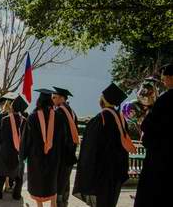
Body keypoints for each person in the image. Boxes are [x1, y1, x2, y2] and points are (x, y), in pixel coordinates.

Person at [73, 83, 136, 207]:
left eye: (101, 96)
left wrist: (87, 170)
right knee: (111, 201)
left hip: (102, 171)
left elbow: (90, 149)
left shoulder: (101, 118)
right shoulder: (121, 118)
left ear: (105, 99)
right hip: (116, 170)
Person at [134, 64, 173, 206]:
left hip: (162, 159)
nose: (163, 81)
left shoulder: (166, 99)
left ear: (170, 78)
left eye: (164, 78)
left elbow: (148, 127)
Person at [20, 89, 65, 207]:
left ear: (39, 101)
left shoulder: (32, 117)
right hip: (53, 156)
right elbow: (63, 139)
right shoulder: (59, 117)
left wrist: (22, 154)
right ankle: (53, 204)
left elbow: (26, 139)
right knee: (52, 180)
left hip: (36, 156)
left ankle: (39, 206)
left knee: (37, 182)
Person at [0, 95, 28, 200]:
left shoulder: (5, 119)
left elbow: (1, 136)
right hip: (18, 151)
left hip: (5, 149)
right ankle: (17, 195)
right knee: (18, 176)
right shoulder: (24, 120)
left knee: (1, 173)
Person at [51, 86, 79, 207]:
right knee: (65, 178)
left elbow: (56, 134)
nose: (52, 99)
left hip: (61, 151)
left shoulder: (59, 112)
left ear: (62, 98)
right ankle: (64, 202)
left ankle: (59, 202)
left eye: (54, 97)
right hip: (70, 150)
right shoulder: (72, 111)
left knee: (59, 178)